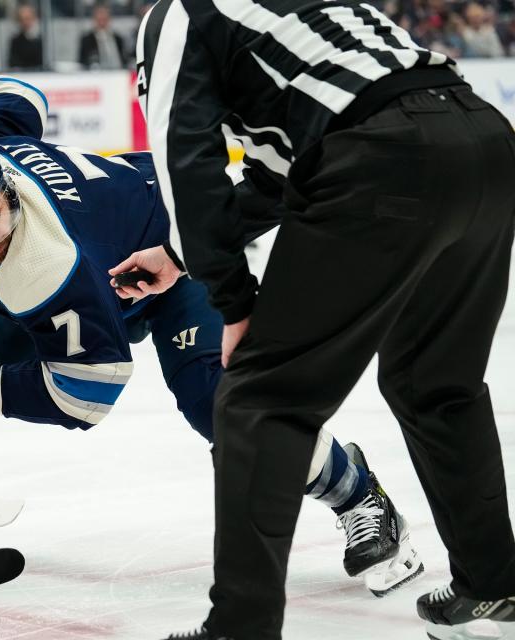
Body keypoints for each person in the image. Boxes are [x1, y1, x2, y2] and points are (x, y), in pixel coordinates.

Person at [0, 92, 423, 599]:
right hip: (99, 256)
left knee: (218, 401)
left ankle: (358, 495)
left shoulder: (42, 264)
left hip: (175, 251)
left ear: (5, 189)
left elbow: (90, 392)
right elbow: (12, 95)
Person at [117, 0, 515, 638]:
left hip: (384, 152)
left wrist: (233, 301)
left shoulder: (180, 14)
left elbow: (185, 161)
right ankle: (494, 586)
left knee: (260, 401)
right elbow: (283, 171)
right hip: (485, 142)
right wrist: (178, 258)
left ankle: (240, 629)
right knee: (435, 384)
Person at [78, 2, 129, 69]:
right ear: (94, 19)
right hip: (96, 76)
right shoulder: (86, 40)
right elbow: (82, 63)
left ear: (109, 19)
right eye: (99, 19)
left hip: (119, 73)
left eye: (104, 19)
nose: (102, 22)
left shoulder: (118, 39)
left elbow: (125, 60)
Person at [8, 4, 43, 70]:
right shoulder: (16, 40)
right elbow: (13, 63)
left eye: (27, 18)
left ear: (34, 19)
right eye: (22, 19)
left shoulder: (41, 39)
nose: (25, 22)